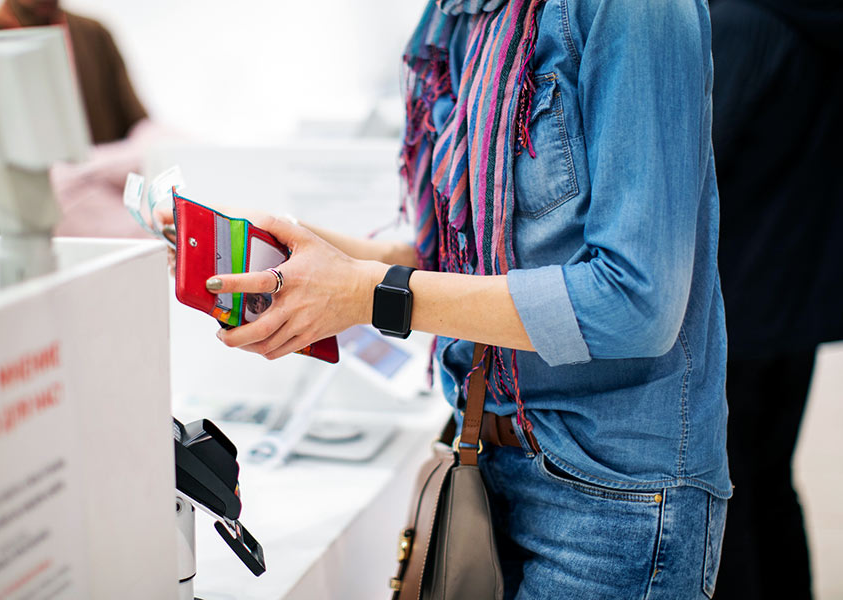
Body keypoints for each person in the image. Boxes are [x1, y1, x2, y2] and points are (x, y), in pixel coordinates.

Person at [199, 0, 730, 596]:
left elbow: (635, 304)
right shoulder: (465, 15)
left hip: (610, 496)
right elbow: (453, 265)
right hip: (482, 455)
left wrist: (365, 293)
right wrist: (290, 252)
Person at [709, 0, 843, 597]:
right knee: (766, 484)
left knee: (727, 503)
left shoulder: (738, 22)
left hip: (728, 307)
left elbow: (688, 165)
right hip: (792, 301)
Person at [0, 0, 154, 237]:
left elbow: (140, 131)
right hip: (24, 240)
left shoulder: (93, 36)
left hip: (111, 230)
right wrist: (5, 215)